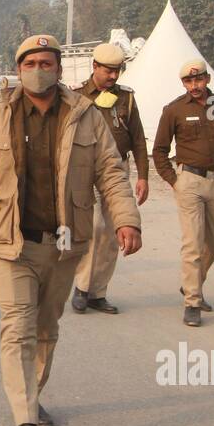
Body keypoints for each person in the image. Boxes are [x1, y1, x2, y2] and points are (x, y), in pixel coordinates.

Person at [0, 35, 142, 426]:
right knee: (17, 328)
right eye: (31, 62)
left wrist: (127, 219)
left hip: (63, 245)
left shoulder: (86, 116)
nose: (39, 69)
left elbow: (111, 172)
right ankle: (23, 418)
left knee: (45, 328)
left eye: (47, 62)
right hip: (12, 243)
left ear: (60, 69)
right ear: (19, 68)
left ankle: (31, 394)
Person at [152, 59, 214, 327]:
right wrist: (174, 180)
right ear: (183, 83)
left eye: (199, 80)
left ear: (207, 79)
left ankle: (192, 282)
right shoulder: (174, 110)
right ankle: (193, 300)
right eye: (189, 81)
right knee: (193, 242)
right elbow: (159, 150)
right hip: (189, 181)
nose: (195, 85)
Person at [72, 43, 149, 314]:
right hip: (86, 170)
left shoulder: (126, 98)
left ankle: (98, 292)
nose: (114, 77)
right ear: (95, 67)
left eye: (117, 71)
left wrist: (143, 177)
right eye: (108, 71)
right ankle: (81, 287)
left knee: (111, 232)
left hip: (118, 170)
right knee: (92, 228)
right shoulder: (77, 96)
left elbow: (138, 139)